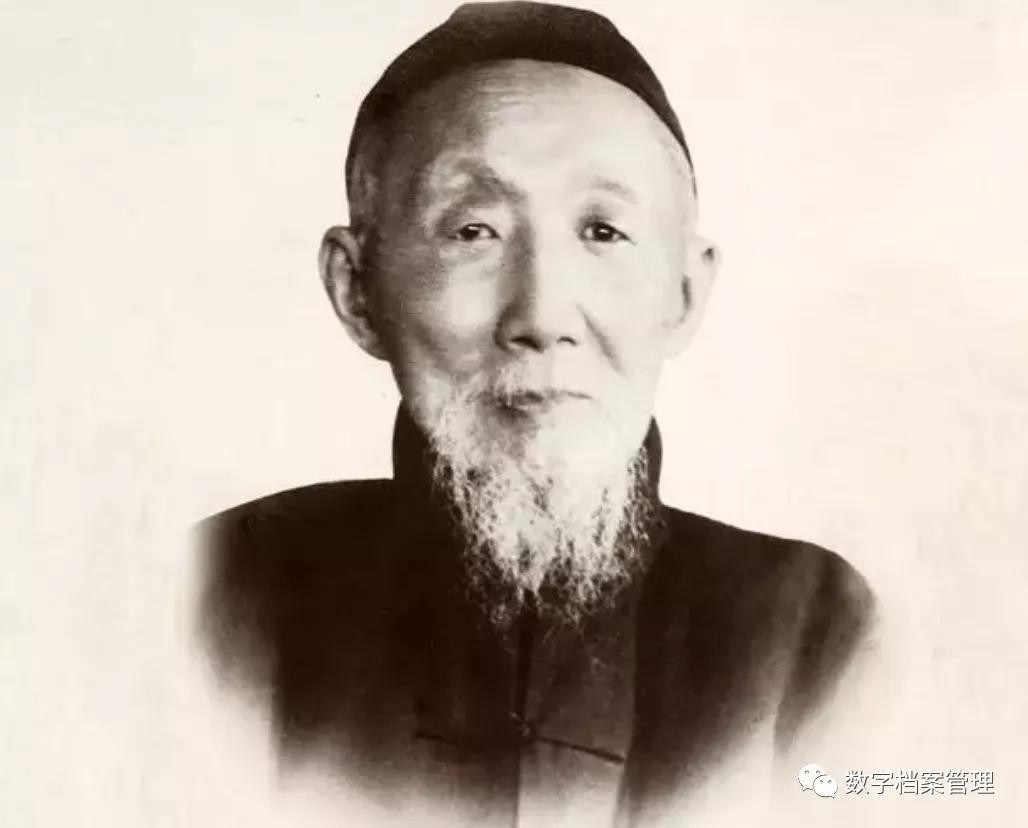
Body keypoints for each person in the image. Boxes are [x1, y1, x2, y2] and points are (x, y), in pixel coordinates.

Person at [197, 2, 875, 824]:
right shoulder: (210, 602)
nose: (543, 315)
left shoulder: (816, 632)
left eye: (603, 231)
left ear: (684, 294)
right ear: (356, 290)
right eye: (473, 230)